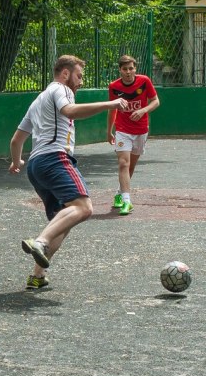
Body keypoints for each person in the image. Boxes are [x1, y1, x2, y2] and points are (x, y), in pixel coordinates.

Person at [9, 54, 128, 290]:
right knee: (84, 208)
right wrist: (111, 104)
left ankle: (37, 276)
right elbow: (70, 111)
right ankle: (40, 241)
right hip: (55, 158)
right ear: (65, 73)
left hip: (35, 166)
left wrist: (16, 162)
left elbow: (16, 140)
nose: (81, 81)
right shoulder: (61, 90)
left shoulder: (37, 101)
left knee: (62, 221)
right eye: (79, 75)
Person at [106, 55, 160, 215]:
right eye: (125, 69)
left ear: (135, 68)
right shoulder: (114, 86)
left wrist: (143, 110)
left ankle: (119, 193)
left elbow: (156, 101)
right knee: (123, 163)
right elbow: (112, 108)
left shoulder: (144, 81)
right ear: (119, 70)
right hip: (122, 130)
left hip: (141, 130)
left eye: (131, 68)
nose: (128, 72)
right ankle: (127, 201)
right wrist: (109, 131)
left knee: (130, 166)